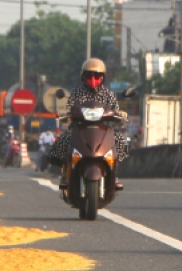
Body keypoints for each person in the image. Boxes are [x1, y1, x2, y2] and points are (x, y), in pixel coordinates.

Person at [47, 58, 131, 190]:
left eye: (97, 76)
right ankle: (65, 172)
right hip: (80, 128)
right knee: (64, 139)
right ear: (83, 76)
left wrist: (120, 114)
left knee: (120, 140)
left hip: (103, 130)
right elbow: (70, 110)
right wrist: (66, 115)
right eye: (89, 75)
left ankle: (114, 174)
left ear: (102, 77)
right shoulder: (76, 93)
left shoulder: (108, 94)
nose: (93, 79)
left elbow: (115, 110)